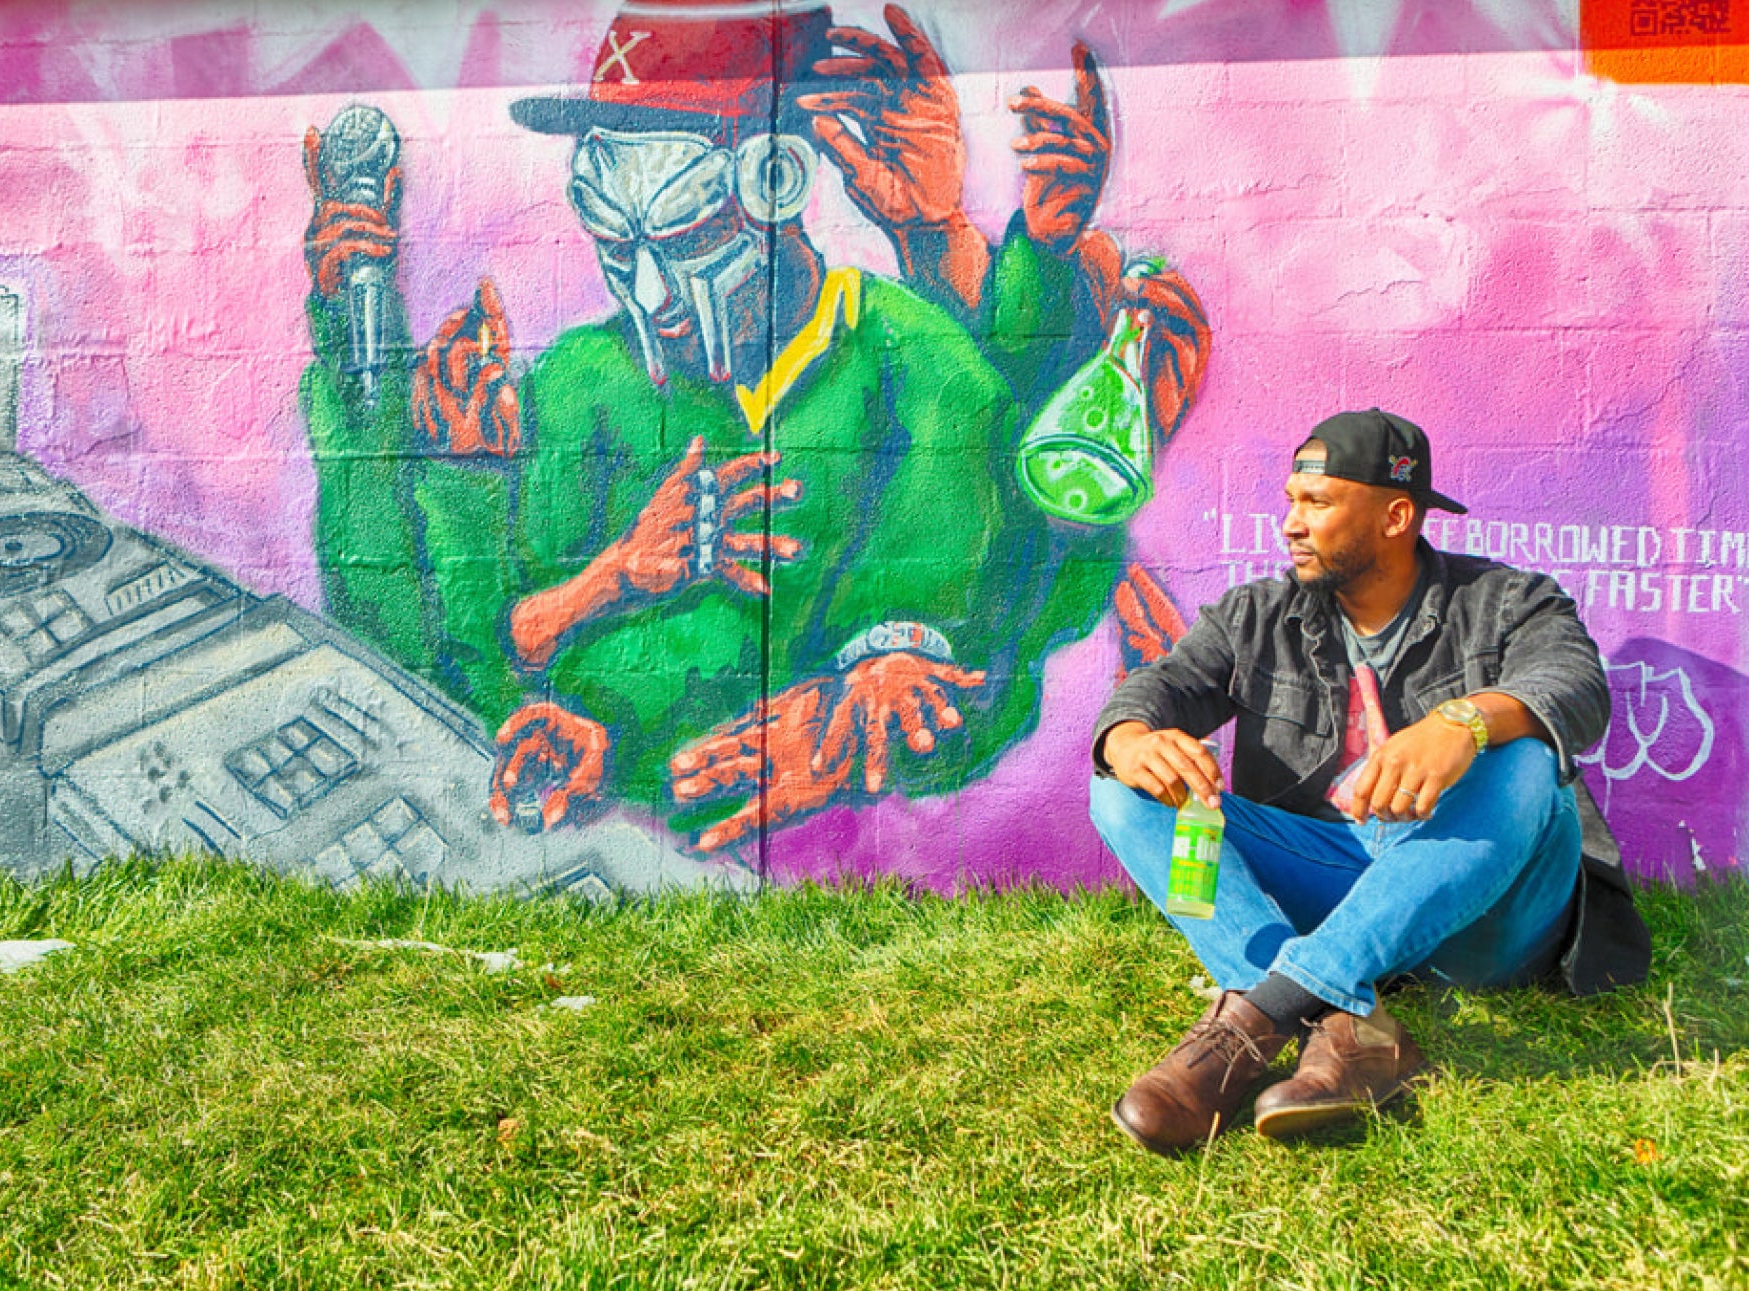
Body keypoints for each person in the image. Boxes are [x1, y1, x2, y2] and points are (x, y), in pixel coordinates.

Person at [301, 1, 1212, 854]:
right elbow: (442, 642)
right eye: (620, 249)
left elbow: (997, 592)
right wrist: (562, 651)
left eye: (686, 237)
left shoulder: (914, 361)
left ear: (773, 184)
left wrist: (887, 683)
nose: (651, 293)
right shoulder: (579, 383)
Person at [1087, 408, 1630, 1154]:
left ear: (1394, 514)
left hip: (1482, 910)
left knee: (1528, 756)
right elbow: (1165, 684)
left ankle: (1260, 1014)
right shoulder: (1255, 614)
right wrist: (1128, 736)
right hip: (1333, 878)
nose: (1290, 524)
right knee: (1121, 783)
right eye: (1289, 502)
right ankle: (1350, 1025)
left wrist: (1463, 722)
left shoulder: (1508, 600)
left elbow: (1575, 687)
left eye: (1316, 503)